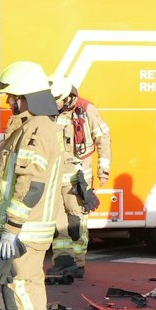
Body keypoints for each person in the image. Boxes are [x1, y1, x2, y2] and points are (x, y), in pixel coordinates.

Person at [0, 61, 67, 310]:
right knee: (21, 290)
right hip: (22, 228)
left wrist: (10, 229)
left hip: (26, 230)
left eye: (13, 97)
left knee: (22, 291)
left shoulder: (37, 130)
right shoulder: (28, 127)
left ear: (27, 97)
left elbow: (30, 185)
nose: (9, 102)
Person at [46, 76, 111, 282]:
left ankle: (78, 263)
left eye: (58, 100)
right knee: (58, 222)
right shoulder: (51, 112)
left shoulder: (86, 110)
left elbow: (103, 138)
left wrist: (103, 169)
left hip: (77, 179)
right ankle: (62, 261)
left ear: (68, 96)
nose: (55, 104)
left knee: (76, 221)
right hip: (56, 177)